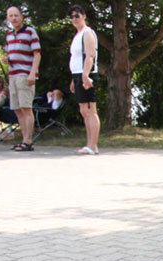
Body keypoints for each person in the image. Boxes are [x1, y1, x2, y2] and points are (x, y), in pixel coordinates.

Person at [5, 5, 41, 152]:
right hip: (13, 75)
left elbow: (37, 54)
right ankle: (23, 139)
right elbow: (10, 53)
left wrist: (32, 73)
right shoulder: (8, 35)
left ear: (21, 17)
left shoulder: (30, 32)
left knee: (26, 108)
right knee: (17, 109)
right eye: (11, 16)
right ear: (8, 18)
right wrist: (7, 59)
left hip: (25, 74)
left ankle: (28, 140)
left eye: (16, 15)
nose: (14, 18)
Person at [68, 4, 99, 155]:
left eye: (77, 16)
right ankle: (89, 144)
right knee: (83, 110)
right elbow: (76, 58)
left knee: (90, 110)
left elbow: (90, 55)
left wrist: (85, 75)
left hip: (86, 74)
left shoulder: (87, 33)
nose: (75, 19)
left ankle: (93, 145)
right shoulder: (77, 35)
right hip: (77, 74)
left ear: (84, 16)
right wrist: (74, 79)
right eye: (72, 17)